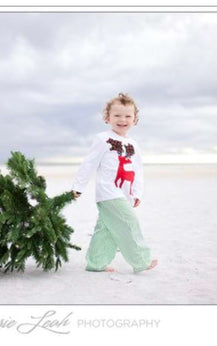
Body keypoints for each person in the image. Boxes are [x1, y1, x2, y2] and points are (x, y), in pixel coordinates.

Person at [72, 93, 158, 273]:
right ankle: (141, 261)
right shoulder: (102, 139)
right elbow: (89, 163)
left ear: (135, 119)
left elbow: (138, 171)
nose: (122, 119)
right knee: (129, 222)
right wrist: (79, 186)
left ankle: (96, 264)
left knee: (106, 230)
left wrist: (136, 193)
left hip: (124, 195)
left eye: (128, 116)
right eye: (117, 115)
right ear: (107, 118)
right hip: (109, 193)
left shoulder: (133, 144)